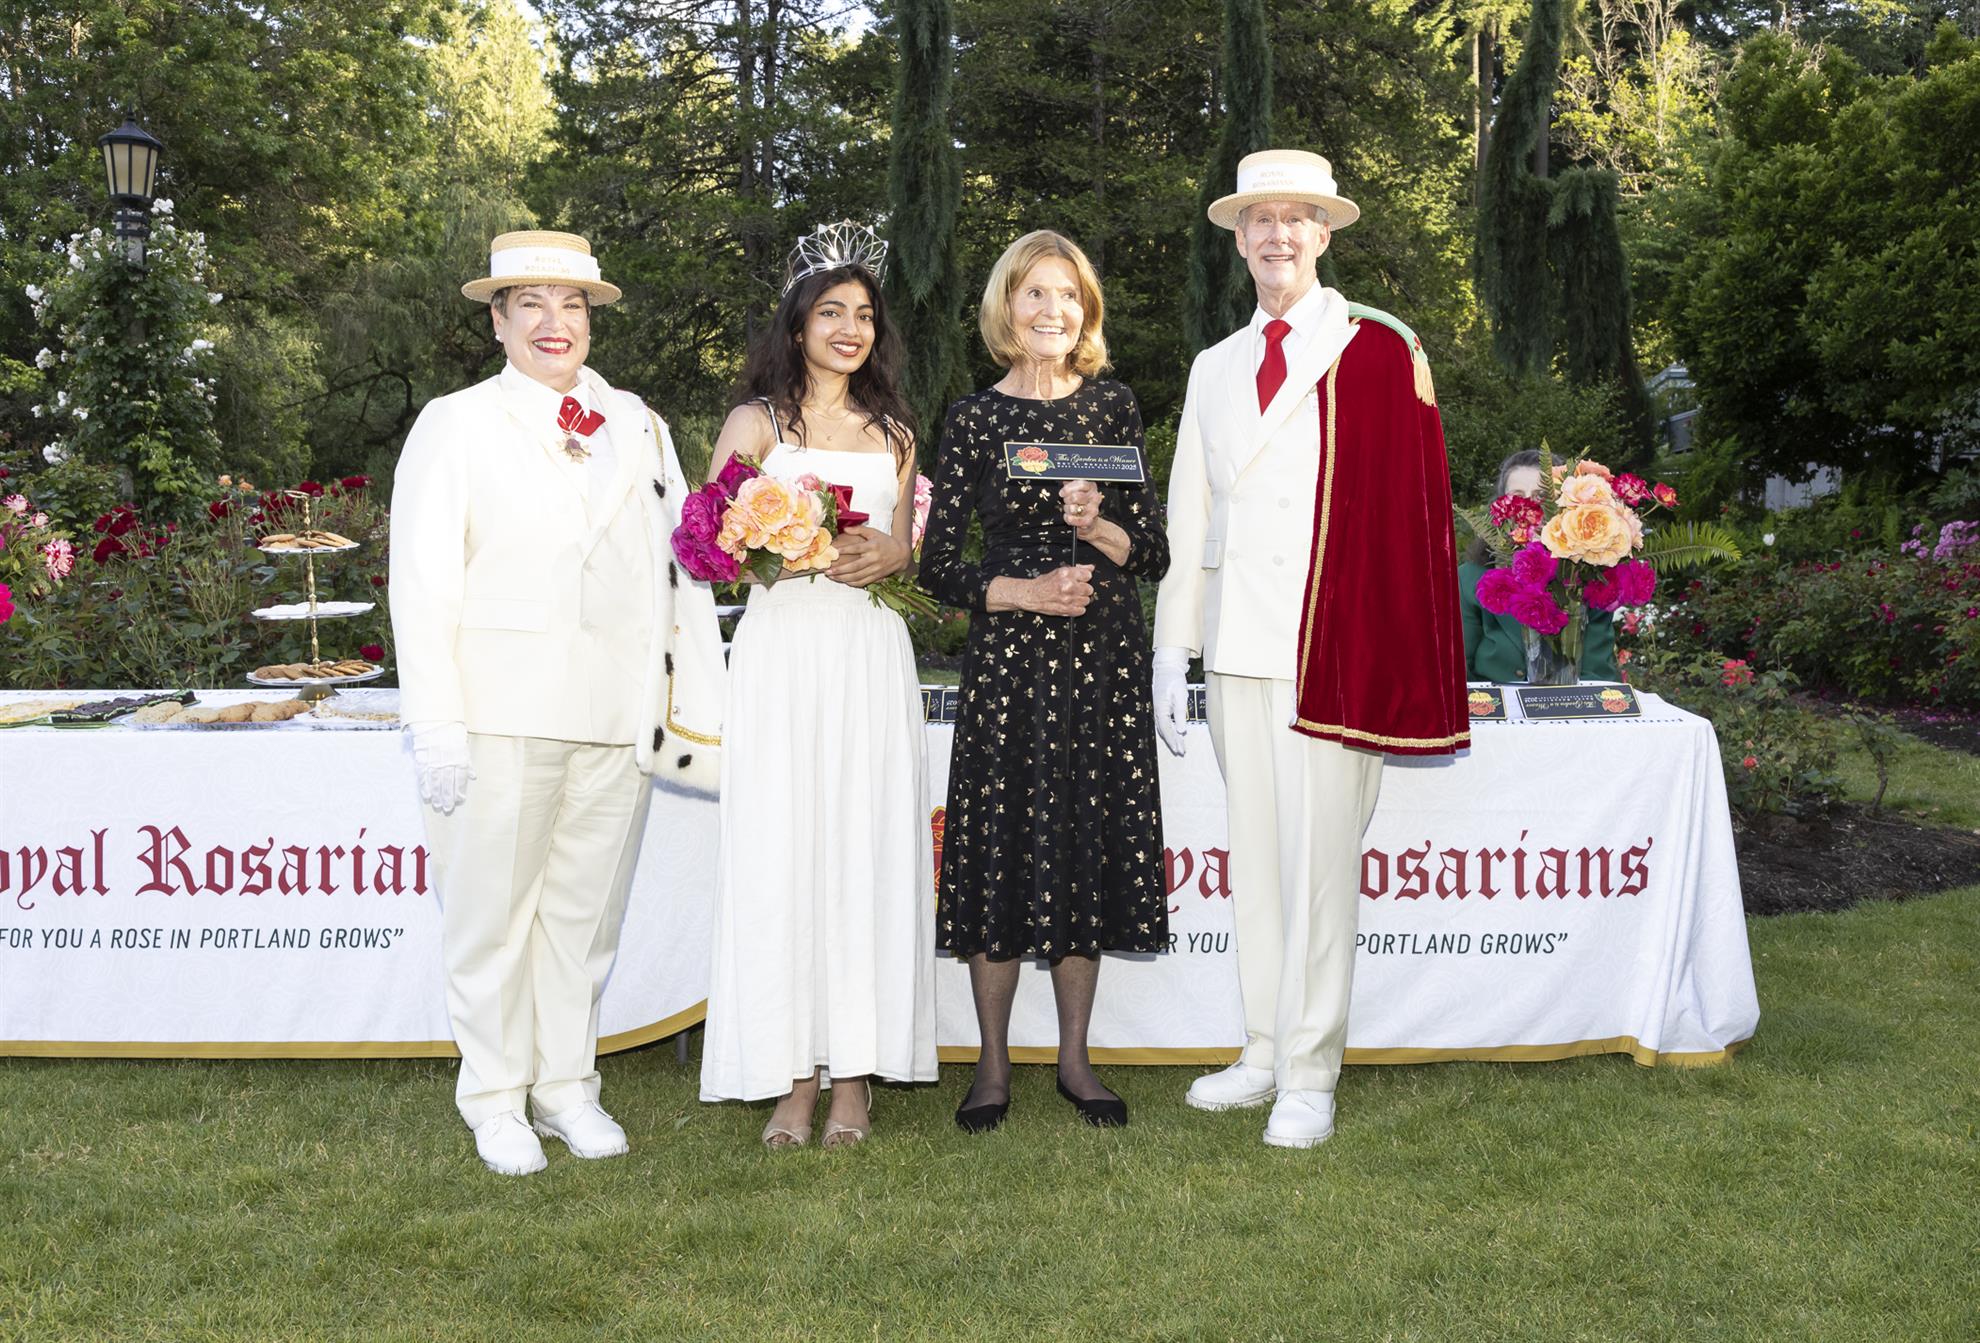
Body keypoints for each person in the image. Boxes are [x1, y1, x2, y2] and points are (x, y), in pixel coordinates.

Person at [390, 229, 724, 1176]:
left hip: (618, 711)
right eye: (530, 303)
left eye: (571, 304)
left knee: (584, 920)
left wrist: (693, 701)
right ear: (496, 322)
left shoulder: (640, 424)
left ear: (591, 319)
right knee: (492, 920)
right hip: (498, 711)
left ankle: (567, 1086)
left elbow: (681, 565)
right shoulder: (455, 423)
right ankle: (496, 1097)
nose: (554, 322)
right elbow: (422, 583)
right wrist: (437, 725)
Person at [1152, 150, 1468, 1148]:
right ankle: (1262, 1046)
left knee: (1322, 866)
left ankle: (1311, 1068)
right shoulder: (1214, 367)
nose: (1278, 235)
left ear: (1324, 234)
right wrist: (1173, 647)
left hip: (1334, 645)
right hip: (1238, 645)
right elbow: (1191, 520)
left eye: (1296, 218)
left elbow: (1412, 517)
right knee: (1255, 859)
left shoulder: (1375, 349)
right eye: (1261, 219)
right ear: (1239, 240)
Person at [921, 229, 1171, 1134]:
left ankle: (1074, 1059)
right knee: (1000, 844)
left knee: (1084, 842)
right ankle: (992, 1063)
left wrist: (1098, 525)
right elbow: (937, 566)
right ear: (1007, 306)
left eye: (1068, 294)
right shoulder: (973, 420)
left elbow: (1154, 551)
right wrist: (1025, 592)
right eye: (1035, 292)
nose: (1052, 309)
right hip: (1011, 665)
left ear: (1086, 310)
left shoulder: (1113, 409)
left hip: (1102, 660)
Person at [697, 222, 938, 1148]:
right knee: (784, 851)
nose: (849, 329)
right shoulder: (756, 424)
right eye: (832, 312)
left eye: (864, 315)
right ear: (797, 325)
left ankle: (856, 1079)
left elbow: (905, 550)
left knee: (863, 850)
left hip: (867, 652)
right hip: (782, 650)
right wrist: (776, 542)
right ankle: (793, 1077)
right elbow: (708, 546)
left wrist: (891, 555)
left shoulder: (896, 435)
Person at [1459, 450, 1621, 682]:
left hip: (1573, 702)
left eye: (1540, 496)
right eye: (1517, 496)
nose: (1527, 506)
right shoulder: (1470, 578)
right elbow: (1458, 669)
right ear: (1500, 506)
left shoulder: (1591, 576)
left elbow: (1599, 673)